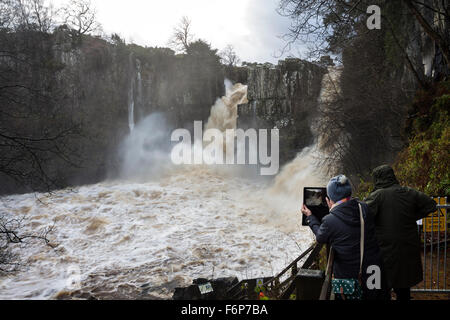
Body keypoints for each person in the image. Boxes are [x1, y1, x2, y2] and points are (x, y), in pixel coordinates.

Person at [302, 174, 387, 300]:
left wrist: (310, 216)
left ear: (329, 199)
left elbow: (320, 237)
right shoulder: (364, 207)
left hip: (350, 277)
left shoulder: (330, 220)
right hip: (373, 270)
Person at [365, 165, 437, 301]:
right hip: (407, 249)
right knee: (403, 287)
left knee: (380, 287)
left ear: (378, 179)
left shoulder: (377, 196)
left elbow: (363, 215)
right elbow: (431, 205)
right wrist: (413, 216)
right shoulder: (409, 192)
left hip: (385, 251)